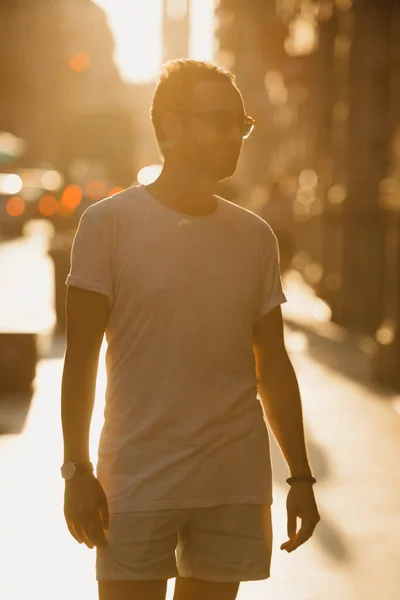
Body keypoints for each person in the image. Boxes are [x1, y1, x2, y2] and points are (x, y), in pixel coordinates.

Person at [60, 59, 320, 600]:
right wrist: (77, 469)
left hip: (232, 480)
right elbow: (80, 357)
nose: (234, 135)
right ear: (170, 126)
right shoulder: (108, 225)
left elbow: (272, 360)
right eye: (217, 120)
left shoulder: (254, 237)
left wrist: (299, 476)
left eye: (240, 123)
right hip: (135, 480)